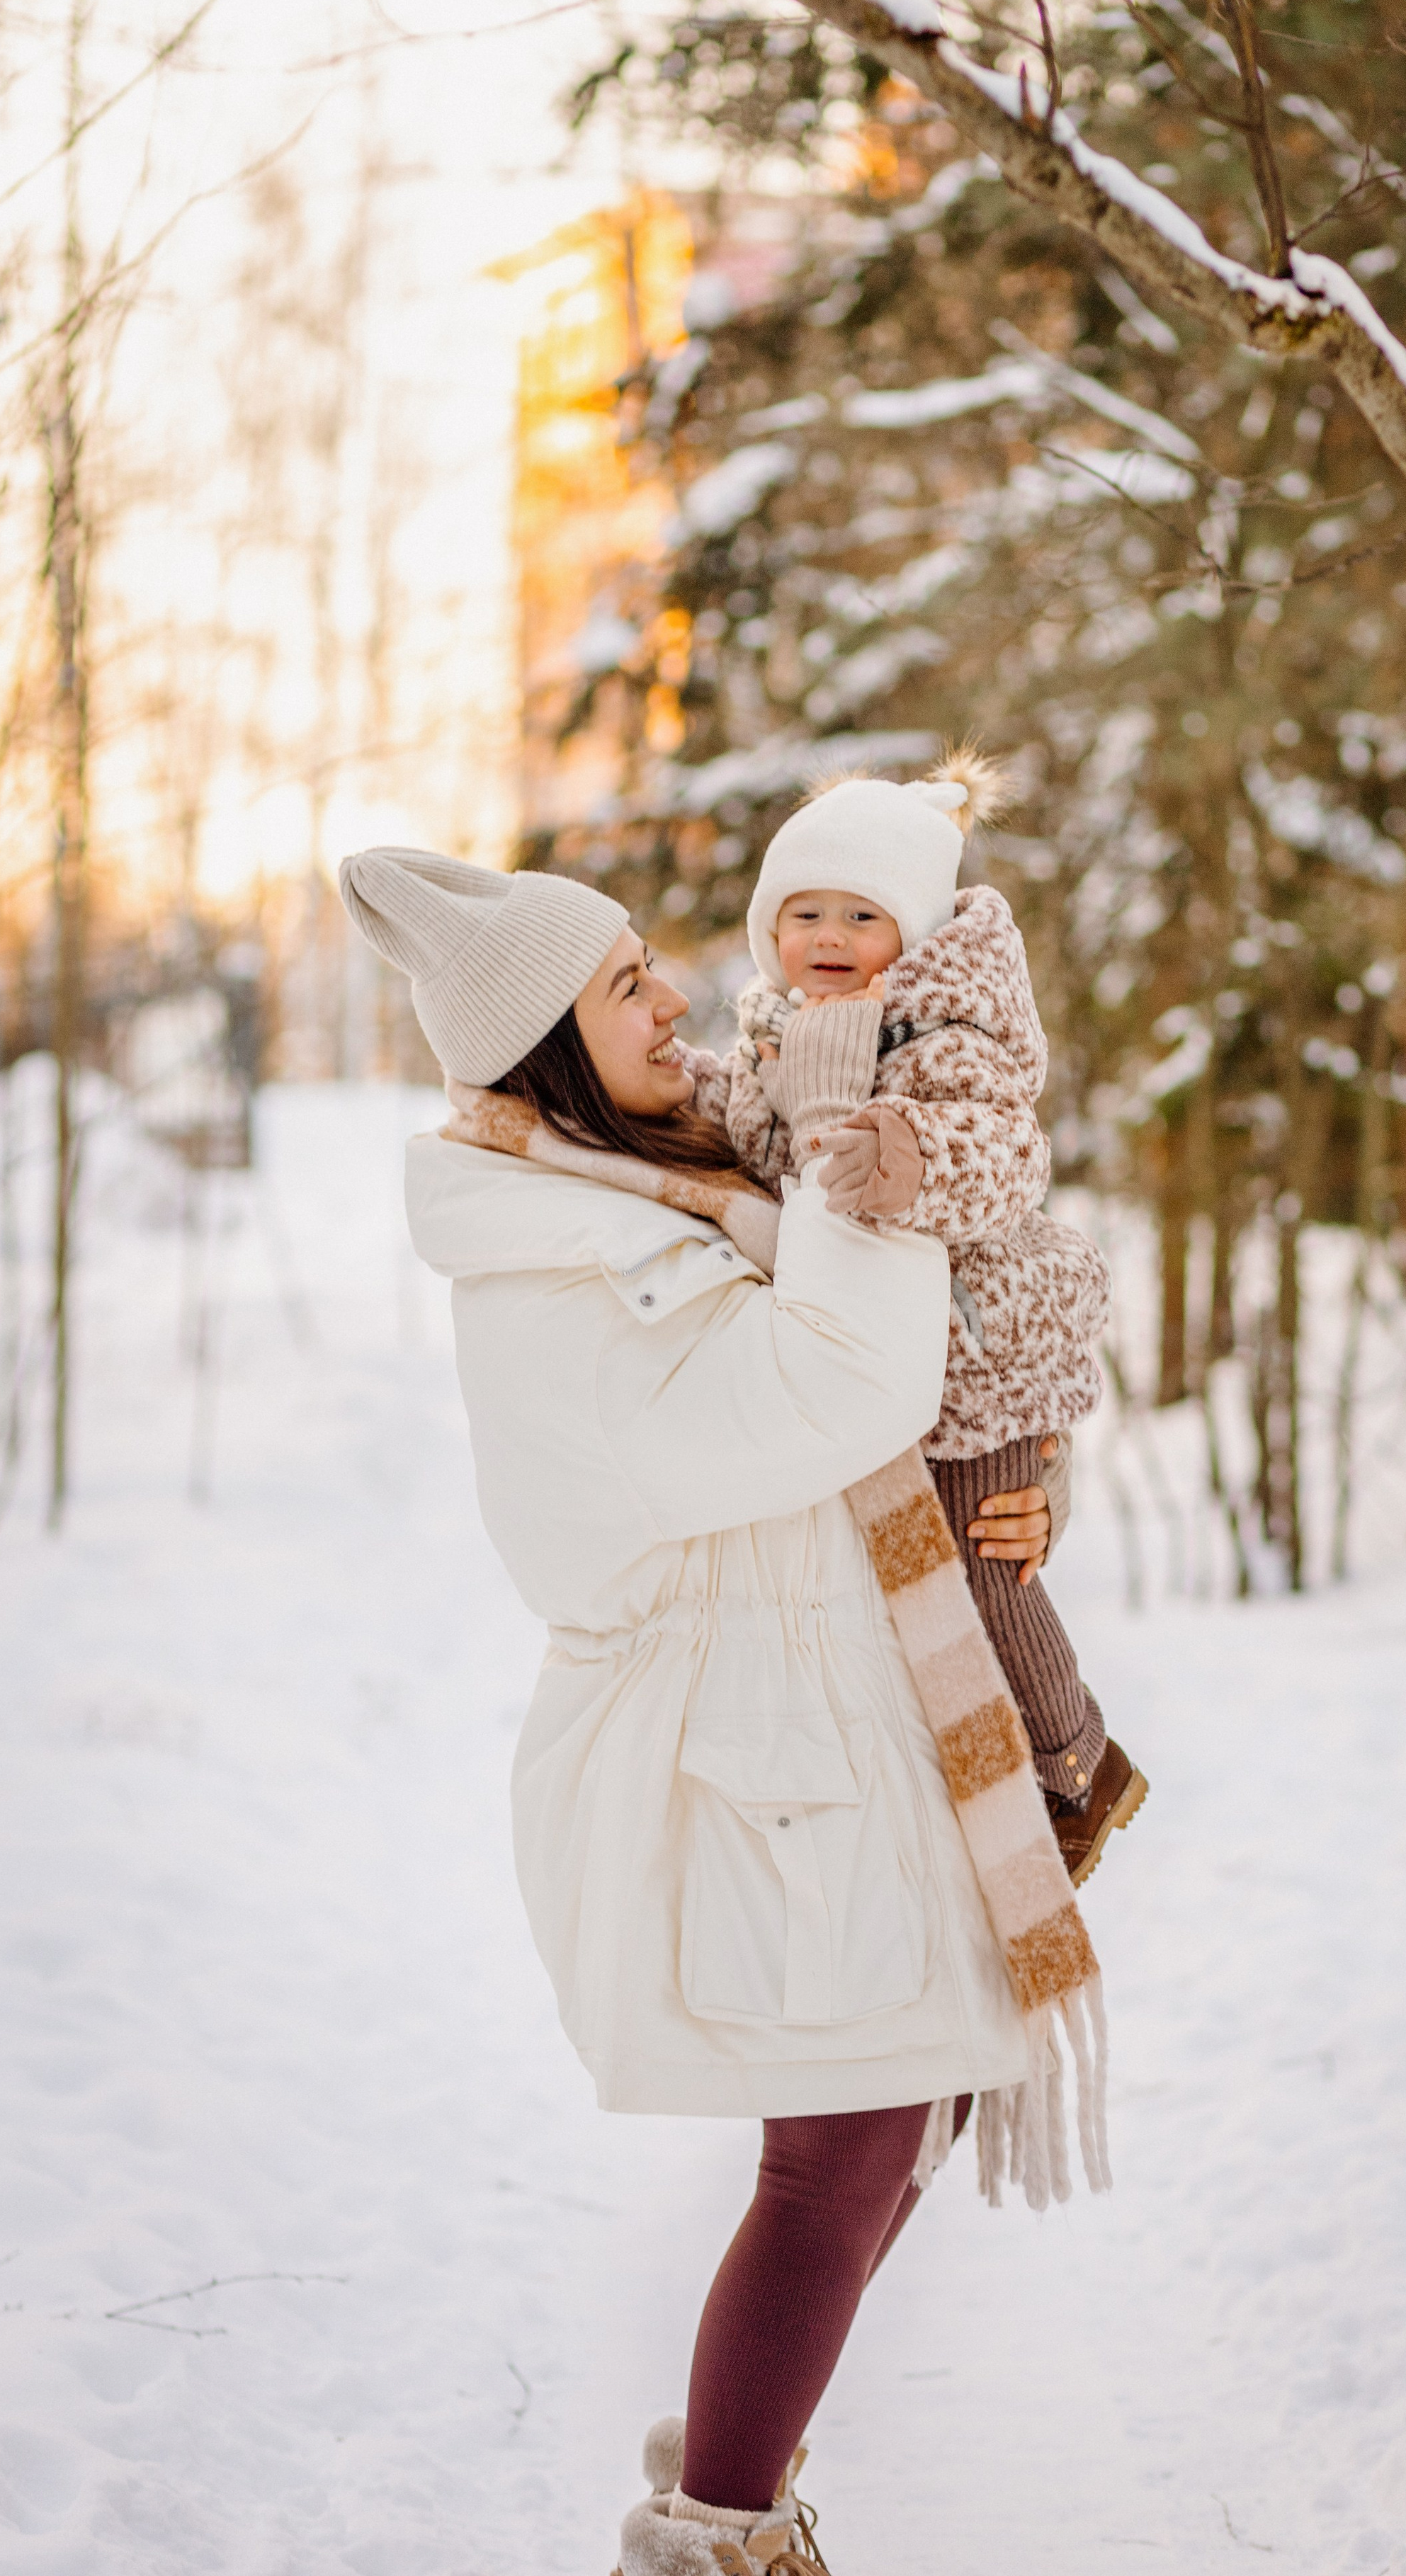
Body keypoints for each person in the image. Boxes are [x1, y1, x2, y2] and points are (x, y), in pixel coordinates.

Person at [339, 846, 1063, 2576]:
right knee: (846, 2144)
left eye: (657, 967)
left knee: (903, 2118)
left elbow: (906, 1393)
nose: (675, 999)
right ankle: (723, 2527)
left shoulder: (654, 1188)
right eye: (623, 987)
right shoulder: (563, 1269)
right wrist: (851, 1161)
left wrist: (1012, 1490)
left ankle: (741, 2463)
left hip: (816, 1720)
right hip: (745, 1760)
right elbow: (838, 1378)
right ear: (546, 1050)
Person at [715, 758, 1146, 1886]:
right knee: (925, 1601)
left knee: (984, 1578)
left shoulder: (949, 1034)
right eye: (803, 912)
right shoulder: (772, 1033)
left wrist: (904, 1158)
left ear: (913, 932)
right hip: (884, 1382)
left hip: (978, 1368)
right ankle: (986, 1788)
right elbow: (750, 1141)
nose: (828, 934)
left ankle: (1073, 1766)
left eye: (862, 915)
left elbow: (1006, 1157)